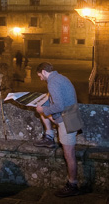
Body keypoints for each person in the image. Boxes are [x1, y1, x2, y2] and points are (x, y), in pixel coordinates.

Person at [33, 62, 81, 198]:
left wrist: (43, 109)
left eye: (39, 76)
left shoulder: (52, 82)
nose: (40, 78)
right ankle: (49, 137)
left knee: (69, 155)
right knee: (44, 112)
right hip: (71, 116)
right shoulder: (61, 77)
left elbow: (59, 106)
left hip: (67, 120)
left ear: (43, 71)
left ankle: (72, 185)